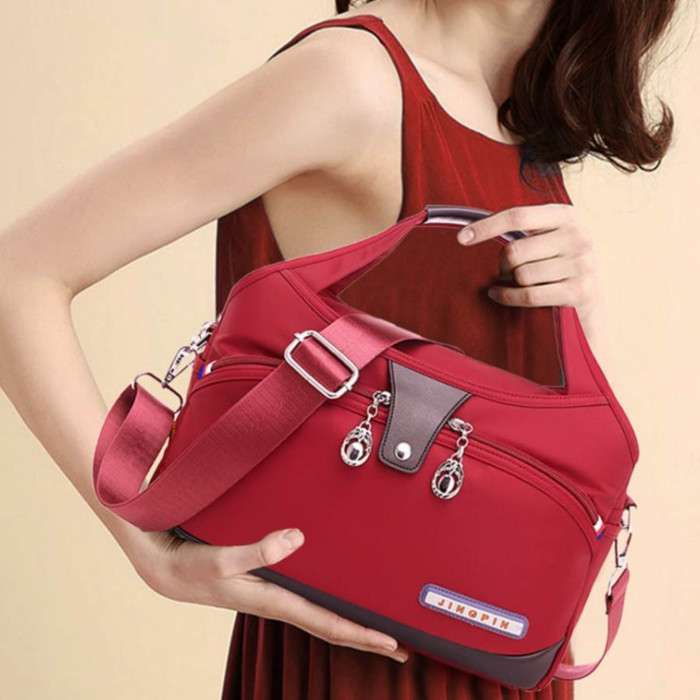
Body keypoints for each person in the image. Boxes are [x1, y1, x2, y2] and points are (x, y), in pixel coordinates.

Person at [0, 1, 676, 698]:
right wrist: (148, 546)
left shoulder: (520, 118)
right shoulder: (352, 81)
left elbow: (532, 499)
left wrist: (581, 323)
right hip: (361, 667)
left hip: (497, 653)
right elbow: (18, 275)